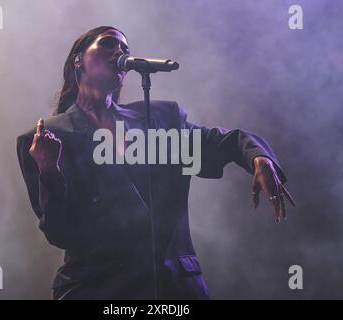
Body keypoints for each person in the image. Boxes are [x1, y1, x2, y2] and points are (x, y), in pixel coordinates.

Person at [16, 26, 295, 300]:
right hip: (97, 288)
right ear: (79, 58)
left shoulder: (162, 119)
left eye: (125, 48)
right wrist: (49, 169)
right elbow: (61, 233)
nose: (120, 52)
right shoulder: (46, 138)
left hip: (173, 286)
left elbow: (225, 142)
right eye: (108, 44)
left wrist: (259, 157)